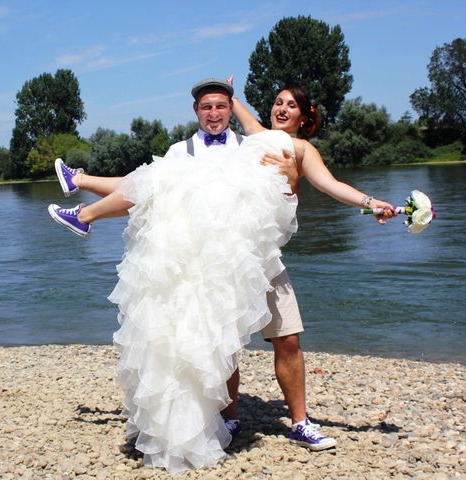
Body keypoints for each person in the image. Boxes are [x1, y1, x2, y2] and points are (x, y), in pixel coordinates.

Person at [48, 79, 395, 470]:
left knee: (288, 338)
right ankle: (229, 417)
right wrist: (229, 90)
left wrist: (368, 203)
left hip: (263, 256)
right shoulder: (250, 140)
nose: (282, 109)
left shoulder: (299, 149)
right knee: (221, 339)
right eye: (277, 102)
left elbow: (329, 185)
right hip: (219, 258)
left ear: (303, 116)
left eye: (290, 106)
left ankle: (301, 422)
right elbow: (166, 176)